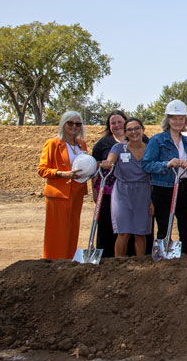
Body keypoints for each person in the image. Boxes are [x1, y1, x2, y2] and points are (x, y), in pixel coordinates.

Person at [142, 100, 187, 256]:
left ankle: (186, 257)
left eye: (181, 118)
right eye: (174, 118)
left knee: (186, 227)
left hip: (184, 188)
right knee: (164, 226)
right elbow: (146, 164)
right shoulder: (157, 140)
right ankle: (163, 260)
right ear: (168, 120)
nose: (178, 122)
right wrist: (167, 164)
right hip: (163, 189)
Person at [37, 111, 89, 260]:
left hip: (77, 193)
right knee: (57, 232)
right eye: (70, 123)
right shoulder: (53, 144)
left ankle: (69, 261)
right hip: (58, 194)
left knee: (73, 229)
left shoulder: (82, 144)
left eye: (78, 124)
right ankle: (53, 262)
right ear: (63, 124)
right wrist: (62, 173)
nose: (74, 126)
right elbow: (42, 169)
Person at [99, 118, 153, 257]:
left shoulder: (150, 149)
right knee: (123, 232)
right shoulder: (118, 148)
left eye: (136, 128)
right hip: (122, 193)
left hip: (143, 193)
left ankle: (141, 266)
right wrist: (108, 163)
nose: (133, 132)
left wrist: (152, 201)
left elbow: (153, 177)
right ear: (125, 133)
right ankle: (119, 266)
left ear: (143, 130)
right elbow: (111, 159)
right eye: (129, 129)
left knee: (140, 233)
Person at [90, 110, 127, 258]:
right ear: (109, 126)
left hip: (131, 191)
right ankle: (105, 258)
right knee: (107, 225)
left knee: (128, 227)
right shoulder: (102, 144)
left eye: (120, 122)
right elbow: (94, 170)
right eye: (113, 123)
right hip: (107, 192)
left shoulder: (139, 138)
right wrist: (94, 191)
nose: (117, 125)